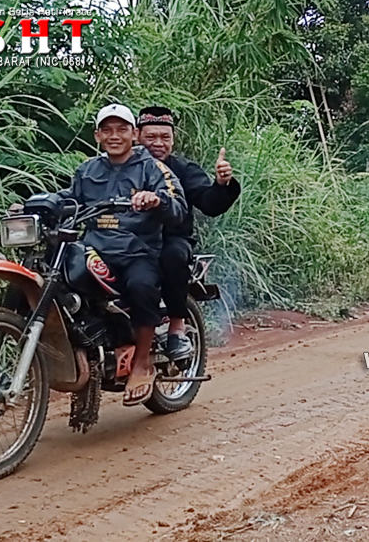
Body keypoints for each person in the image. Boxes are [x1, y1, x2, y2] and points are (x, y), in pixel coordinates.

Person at [59, 104, 187, 406]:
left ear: (134, 134)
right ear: (97, 135)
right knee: (62, 281)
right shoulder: (87, 170)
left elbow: (178, 207)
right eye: (107, 130)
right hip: (94, 250)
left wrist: (157, 200)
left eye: (121, 129)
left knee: (141, 286)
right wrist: (33, 206)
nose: (114, 136)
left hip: (137, 252)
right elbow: (69, 199)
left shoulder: (153, 168)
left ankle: (142, 362)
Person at [137, 107, 241, 366]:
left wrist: (221, 184)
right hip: (130, 241)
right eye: (151, 137)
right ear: (137, 136)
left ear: (173, 140)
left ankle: (176, 328)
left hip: (171, 239)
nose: (158, 143)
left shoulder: (182, 169)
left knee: (173, 255)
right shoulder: (124, 166)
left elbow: (209, 203)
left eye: (165, 137)